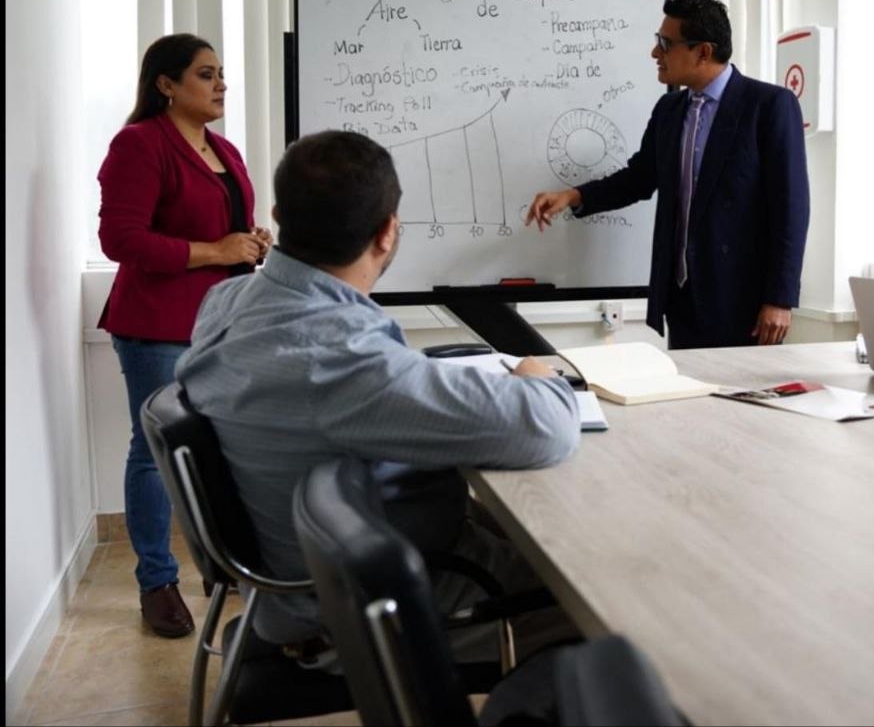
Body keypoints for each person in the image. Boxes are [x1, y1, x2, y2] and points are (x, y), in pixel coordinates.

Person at [175, 130, 580, 664]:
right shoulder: (339, 361)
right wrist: (537, 373)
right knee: (609, 601)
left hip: (296, 587)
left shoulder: (226, 301)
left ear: (277, 215)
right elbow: (546, 428)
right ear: (388, 233)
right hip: (369, 610)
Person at [98, 33, 271, 638]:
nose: (220, 84)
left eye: (221, 73)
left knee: (222, 451)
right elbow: (121, 240)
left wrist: (249, 239)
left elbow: (224, 231)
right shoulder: (139, 145)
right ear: (165, 84)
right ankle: (157, 584)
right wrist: (213, 250)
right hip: (158, 327)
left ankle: (222, 567)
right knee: (153, 455)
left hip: (225, 323)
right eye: (205, 73)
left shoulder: (224, 150)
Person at [524, 0, 810, 349]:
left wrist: (779, 298)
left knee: (736, 403)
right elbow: (639, 178)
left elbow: (791, 209)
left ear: (703, 51)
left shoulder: (769, 106)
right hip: (681, 299)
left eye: (665, 43)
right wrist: (573, 196)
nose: (655, 53)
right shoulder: (670, 109)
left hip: (744, 304)